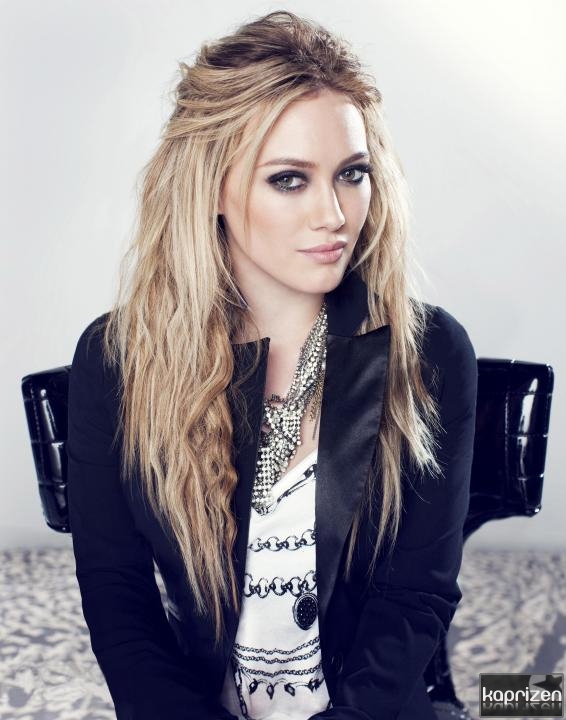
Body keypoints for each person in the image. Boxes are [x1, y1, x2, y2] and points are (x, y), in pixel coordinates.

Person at [67, 10, 478, 720]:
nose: (335, 214)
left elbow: (416, 597)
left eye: (352, 174)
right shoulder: (119, 359)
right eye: (289, 180)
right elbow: (117, 598)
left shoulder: (429, 351)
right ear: (212, 187)